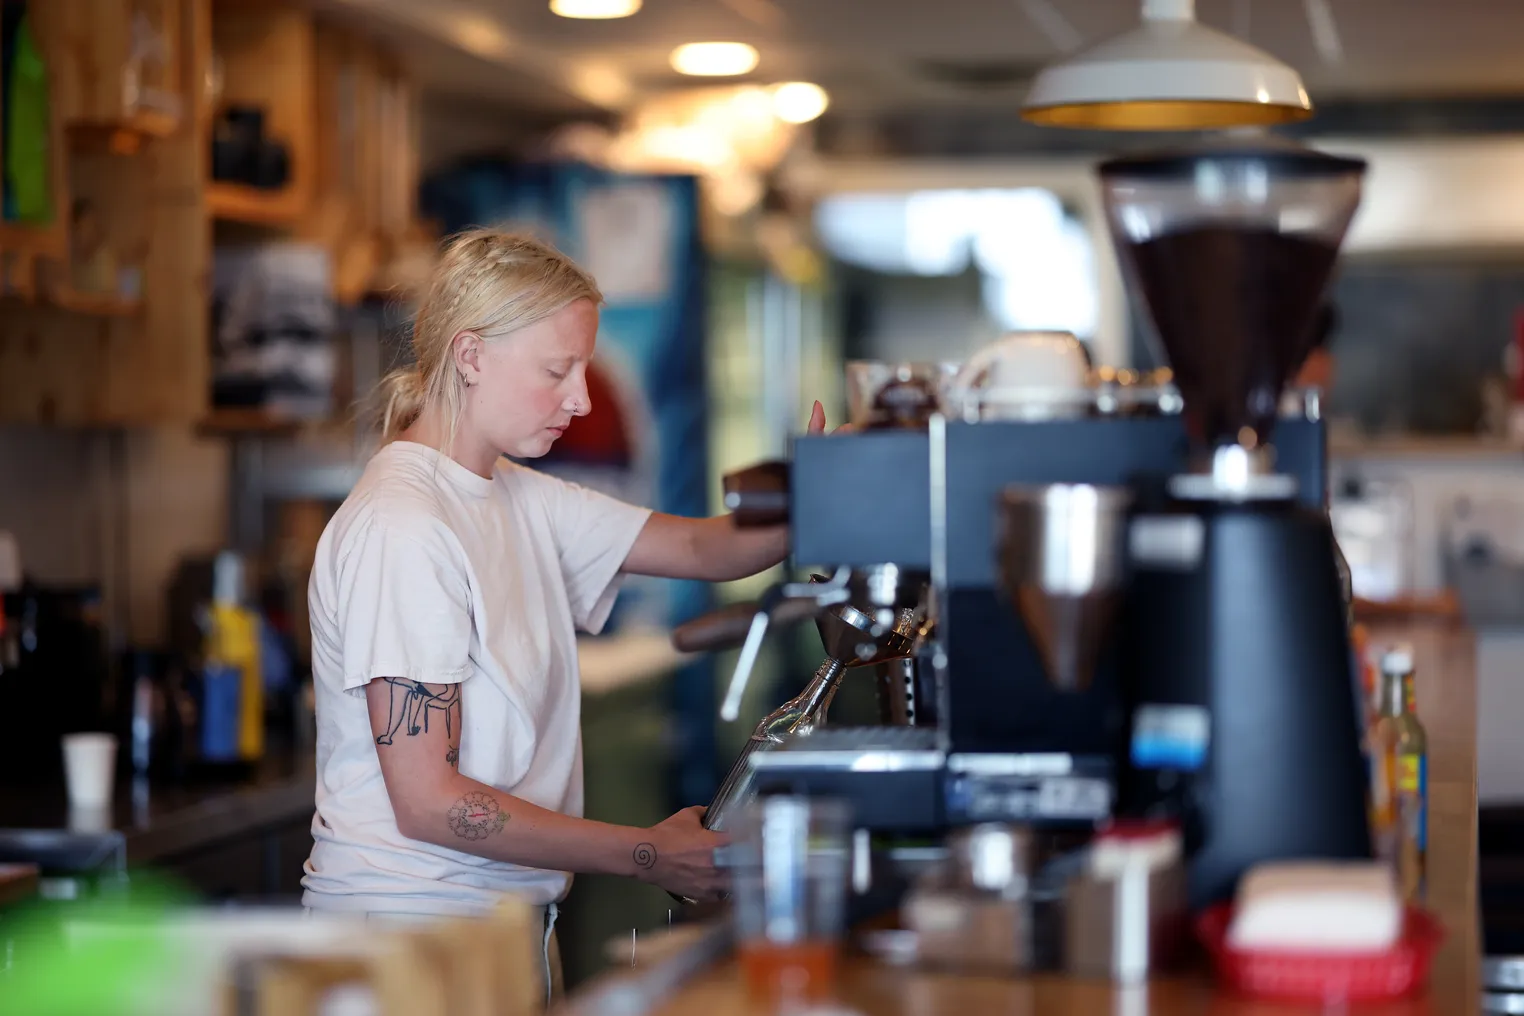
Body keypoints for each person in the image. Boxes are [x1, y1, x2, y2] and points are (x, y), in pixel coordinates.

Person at [300, 229, 833, 1004]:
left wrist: (827, 488)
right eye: (558, 371)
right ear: (471, 355)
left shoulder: (515, 496)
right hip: (407, 945)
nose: (582, 400)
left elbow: (700, 546)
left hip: (497, 928)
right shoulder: (405, 526)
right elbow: (429, 801)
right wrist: (648, 853)